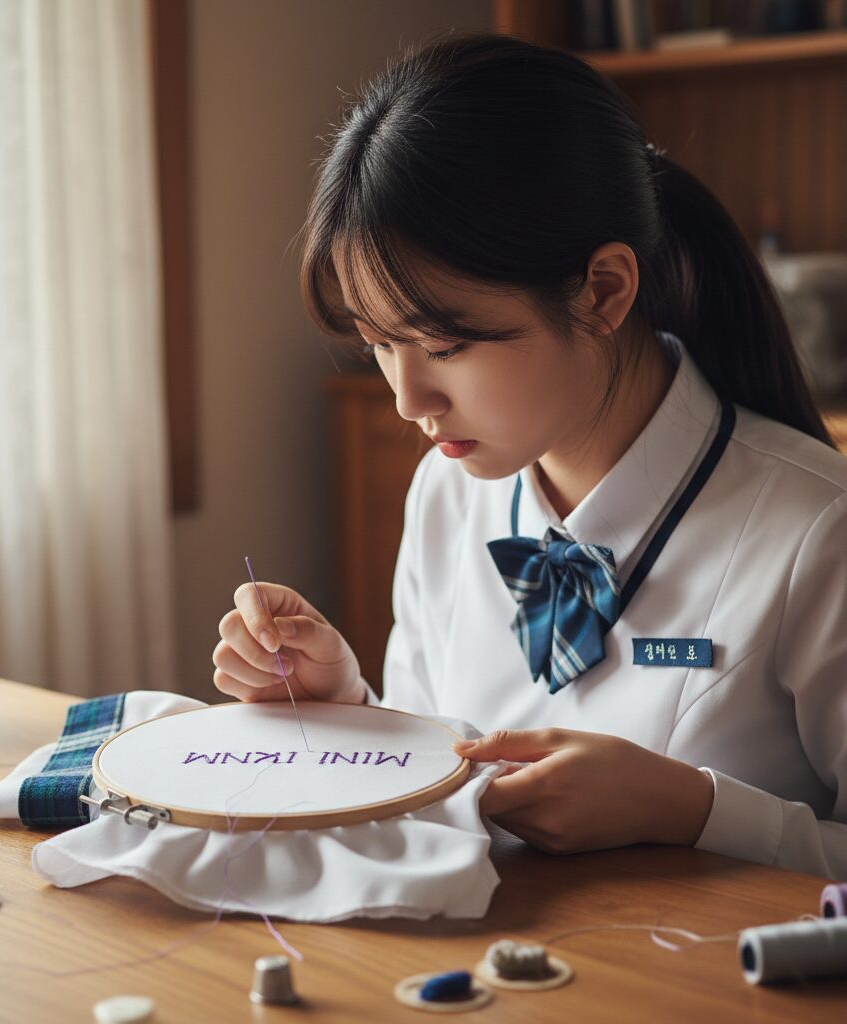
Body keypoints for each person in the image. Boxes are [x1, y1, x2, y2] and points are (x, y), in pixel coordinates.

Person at [213, 33, 847, 879]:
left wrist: (692, 811)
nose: (408, 401)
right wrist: (350, 709)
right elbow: (437, 783)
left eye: (444, 345)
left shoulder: (819, 536)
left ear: (603, 291)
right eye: (376, 345)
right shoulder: (447, 490)